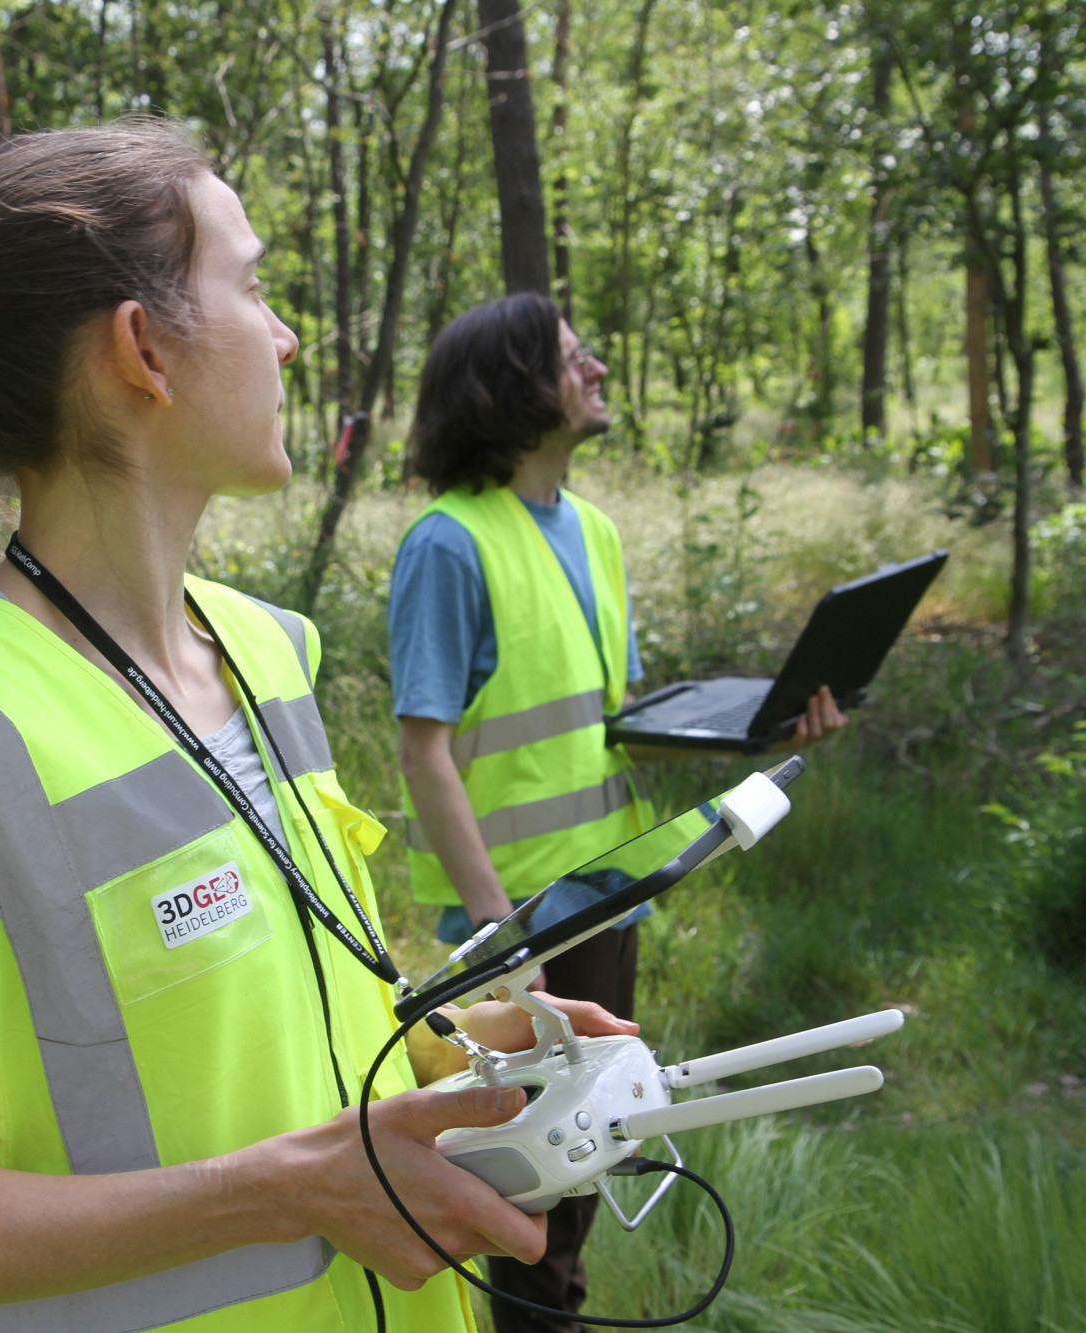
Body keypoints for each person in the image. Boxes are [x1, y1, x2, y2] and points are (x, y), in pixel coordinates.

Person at [0, 121, 637, 1332]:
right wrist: (287, 1186)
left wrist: (446, 1042)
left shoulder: (264, 649)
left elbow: (270, 1011)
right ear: (142, 352)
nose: (285, 334)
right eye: (254, 284)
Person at [389, 292, 846, 1332]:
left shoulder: (591, 531)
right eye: (570, 357)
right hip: (519, 927)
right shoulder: (446, 545)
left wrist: (768, 727)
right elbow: (423, 755)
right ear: (509, 390)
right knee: (527, 1195)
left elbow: (611, 727)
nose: (595, 369)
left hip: (612, 899)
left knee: (591, 1156)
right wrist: (501, 940)